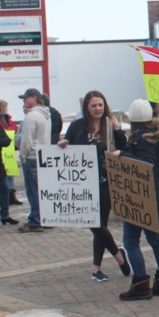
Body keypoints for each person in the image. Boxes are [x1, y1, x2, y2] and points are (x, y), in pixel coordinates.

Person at [60, 90, 131, 282]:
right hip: (83, 183)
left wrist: (117, 131)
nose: (98, 109)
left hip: (106, 181)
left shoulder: (110, 125)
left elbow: (125, 147)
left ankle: (95, 268)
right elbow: (68, 150)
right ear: (87, 108)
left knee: (101, 223)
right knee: (92, 222)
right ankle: (119, 256)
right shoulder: (77, 127)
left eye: (100, 105)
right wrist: (62, 145)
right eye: (94, 106)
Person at [114, 99, 159, 300]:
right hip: (155, 193)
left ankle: (140, 283)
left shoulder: (142, 139)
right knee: (155, 238)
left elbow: (145, 163)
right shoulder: (156, 137)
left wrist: (123, 154)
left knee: (130, 241)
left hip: (140, 196)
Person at [17, 88, 51, 233]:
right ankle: (44, 218)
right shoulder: (46, 115)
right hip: (44, 154)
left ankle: (35, 221)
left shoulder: (31, 116)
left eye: (26, 98)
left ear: (34, 98)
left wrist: (22, 155)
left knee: (33, 191)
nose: (24, 101)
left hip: (32, 156)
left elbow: (27, 140)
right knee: (42, 190)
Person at [0, 100, 23, 206]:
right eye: (6, 107)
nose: (7, 109)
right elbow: (6, 129)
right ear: (1, 108)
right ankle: (8, 196)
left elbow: (13, 128)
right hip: (4, 149)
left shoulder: (7, 118)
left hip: (10, 148)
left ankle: (11, 195)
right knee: (6, 174)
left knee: (11, 172)